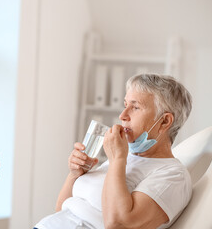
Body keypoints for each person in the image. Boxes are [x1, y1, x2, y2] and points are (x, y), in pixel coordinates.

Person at [34, 74, 193, 229]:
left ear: (164, 121)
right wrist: (75, 174)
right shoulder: (125, 155)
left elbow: (119, 224)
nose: (123, 115)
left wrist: (118, 159)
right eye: (125, 105)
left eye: (135, 107)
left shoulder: (173, 175)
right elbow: (62, 208)